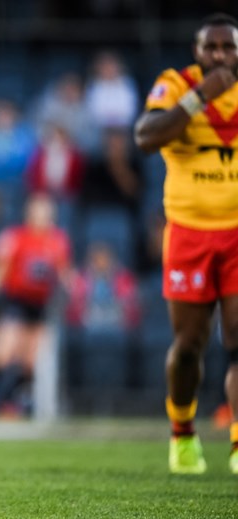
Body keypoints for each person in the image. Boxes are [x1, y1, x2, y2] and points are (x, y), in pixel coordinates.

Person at [133, 12, 238, 475]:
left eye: (228, 47)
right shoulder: (176, 84)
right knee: (189, 345)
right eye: (210, 47)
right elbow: (146, 137)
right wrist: (200, 98)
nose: (219, 55)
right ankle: (182, 432)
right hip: (189, 233)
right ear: (197, 52)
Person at [0, 193, 71, 417]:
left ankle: (9, 403)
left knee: (29, 362)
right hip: (14, 302)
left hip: (40, 305)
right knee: (2, 355)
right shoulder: (15, 238)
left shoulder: (58, 241)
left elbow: (64, 273)